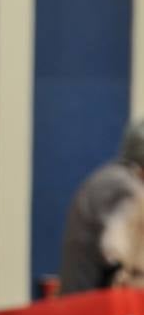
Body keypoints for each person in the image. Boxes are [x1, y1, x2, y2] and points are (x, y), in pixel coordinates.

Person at [59, 118, 144, 294]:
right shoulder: (126, 188)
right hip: (93, 306)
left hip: (79, 300)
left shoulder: (106, 178)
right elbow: (117, 252)